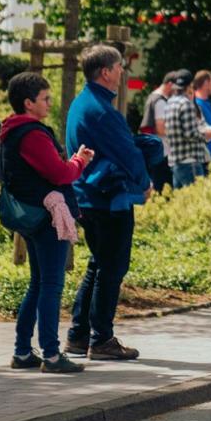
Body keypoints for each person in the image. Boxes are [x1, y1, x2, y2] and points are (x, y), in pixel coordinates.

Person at [66, 44, 153, 361]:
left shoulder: (82, 103)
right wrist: (145, 185)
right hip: (109, 199)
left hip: (88, 197)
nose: (122, 72)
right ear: (106, 72)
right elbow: (128, 153)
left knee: (100, 263)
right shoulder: (102, 111)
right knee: (113, 266)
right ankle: (101, 339)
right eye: (119, 67)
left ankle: (78, 335)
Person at [4, 72, 93, 374]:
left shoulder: (9, 133)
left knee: (38, 284)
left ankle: (22, 352)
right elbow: (60, 174)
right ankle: (52, 355)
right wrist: (80, 161)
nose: (50, 102)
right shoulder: (32, 134)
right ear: (28, 103)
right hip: (47, 218)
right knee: (51, 286)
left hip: (30, 216)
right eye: (45, 98)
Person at [164, 70, 211, 189]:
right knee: (197, 201)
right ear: (190, 86)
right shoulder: (186, 104)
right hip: (190, 161)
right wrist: (206, 135)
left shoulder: (169, 103)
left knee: (181, 204)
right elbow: (190, 134)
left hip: (175, 161)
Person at [139, 70, 175, 192]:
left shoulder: (152, 97)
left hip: (154, 150)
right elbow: (160, 128)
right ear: (170, 84)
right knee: (162, 190)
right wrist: (177, 132)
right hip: (161, 152)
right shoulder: (160, 101)